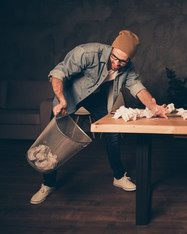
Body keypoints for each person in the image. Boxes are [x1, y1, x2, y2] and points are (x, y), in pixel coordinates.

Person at [30, 30, 168, 204]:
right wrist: (62, 99)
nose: (117, 63)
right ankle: (48, 184)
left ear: (129, 60)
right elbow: (58, 73)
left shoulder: (128, 69)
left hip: (97, 98)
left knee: (112, 134)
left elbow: (138, 88)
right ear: (111, 49)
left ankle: (118, 177)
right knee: (52, 139)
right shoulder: (87, 53)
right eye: (114, 57)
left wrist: (154, 107)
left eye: (122, 61)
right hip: (70, 96)